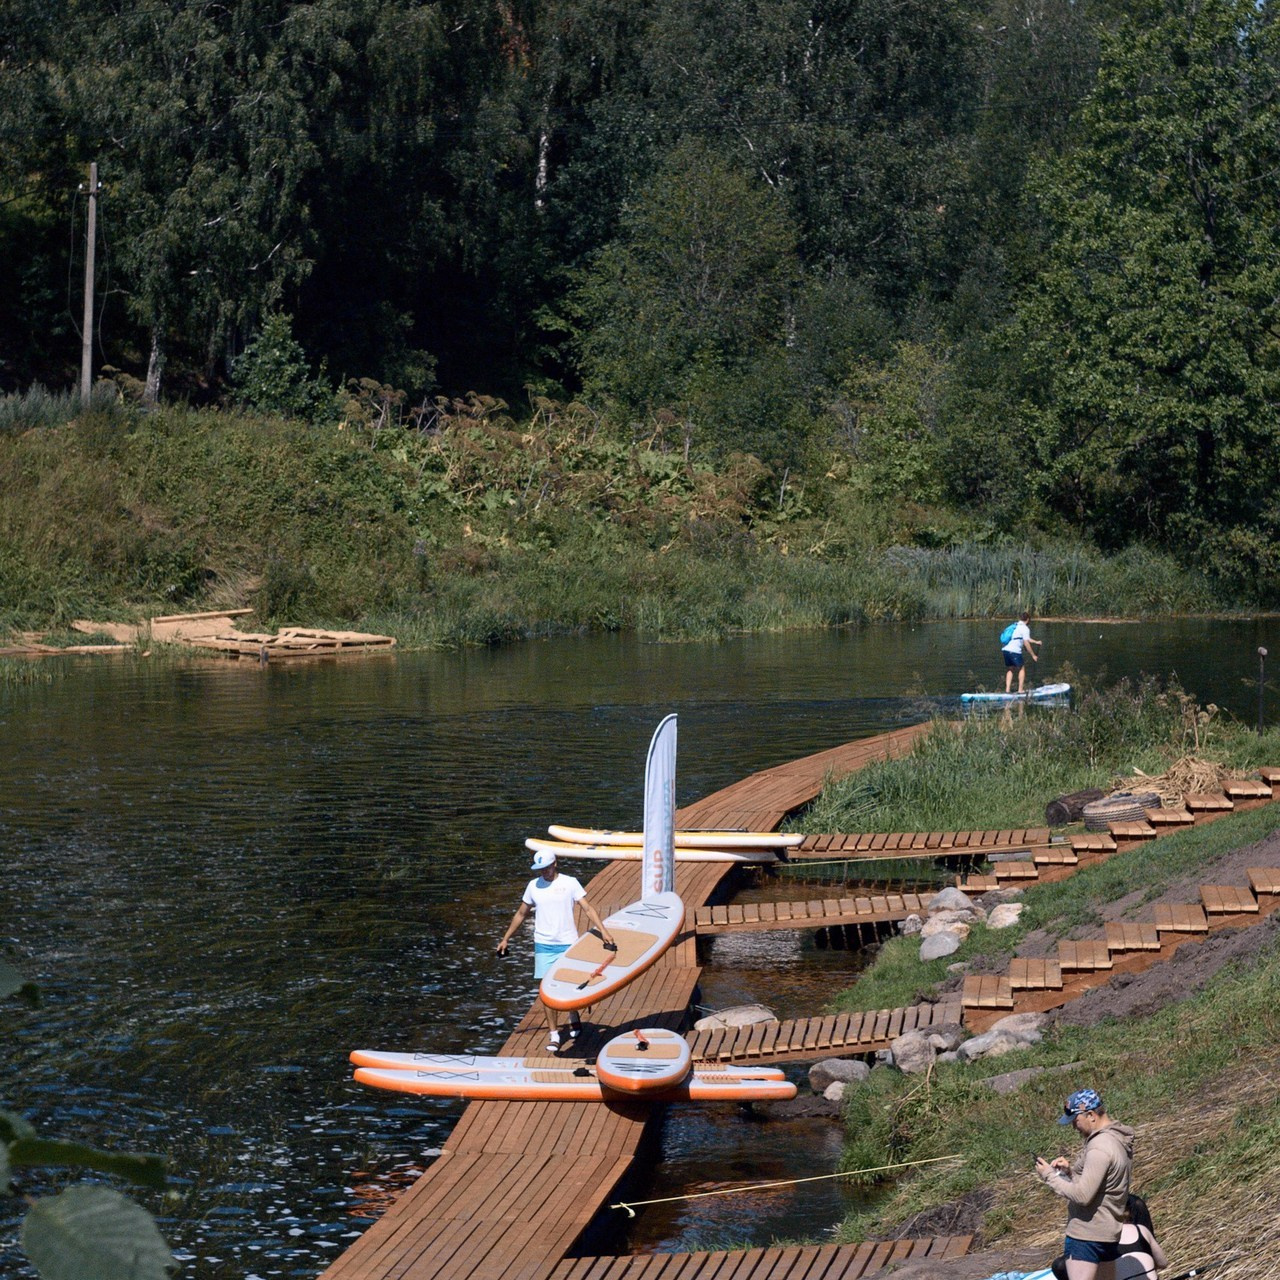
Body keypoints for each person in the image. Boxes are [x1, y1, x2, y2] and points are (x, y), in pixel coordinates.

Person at [496, 850, 615, 1053]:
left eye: (548, 868)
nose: (545, 872)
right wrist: (506, 938)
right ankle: (554, 1034)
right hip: (543, 944)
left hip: (568, 943)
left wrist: (603, 932)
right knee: (546, 991)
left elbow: (587, 908)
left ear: (555, 864)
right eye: (541, 869)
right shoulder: (533, 886)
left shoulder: (570, 883)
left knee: (569, 985)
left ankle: (573, 1016)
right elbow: (521, 913)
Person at [1034, 1088, 1135, 1280]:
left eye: (1075, 1121)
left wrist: (1049, 1175)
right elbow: (1102, 1186)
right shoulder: (1117, 1139)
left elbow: (1083, 1196)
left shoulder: (1099, 1147)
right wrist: (1071, 1173)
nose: (1074, 1127)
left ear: (1090, 1115)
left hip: (1086, 1236)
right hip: (1108, 1233)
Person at [1003, 611, 1043, 693]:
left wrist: (1036, 642)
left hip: (1006, 650)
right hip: (1014, 651)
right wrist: (1033, 655)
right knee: (1021, 669)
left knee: (1010, 669)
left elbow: (1026, 638)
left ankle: (1007, 690)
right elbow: (1026, 642)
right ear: (1028, 619)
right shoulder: (1025, 628)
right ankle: (1020, 690)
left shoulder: (1015, 625)